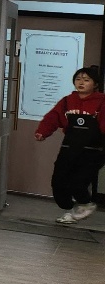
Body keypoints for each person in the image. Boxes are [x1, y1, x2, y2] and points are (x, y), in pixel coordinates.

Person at [34, 66, 105, 224]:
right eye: (78, 79)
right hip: (69, 148)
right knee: (58, 182)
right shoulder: (67, 101)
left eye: (86, 80)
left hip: (93, 151)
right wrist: (42, 132)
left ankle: (85, 204)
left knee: (77, 182)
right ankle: (71, 208)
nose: (81, 83)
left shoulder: (102, 102)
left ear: (95, 84)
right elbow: (53, 117)